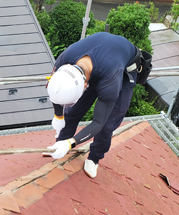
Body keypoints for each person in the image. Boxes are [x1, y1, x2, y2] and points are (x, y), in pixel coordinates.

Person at [45, 32, 145, 178]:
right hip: (101, 59)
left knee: (107, 125)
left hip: (123, 70)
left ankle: (94, 158)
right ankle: (59, 145)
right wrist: (58, 116)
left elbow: (98, 122)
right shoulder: (64, 61)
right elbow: (56, 92)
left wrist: (71, 143)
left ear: (85, 84)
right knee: (72, 113)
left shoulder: (110, 81)